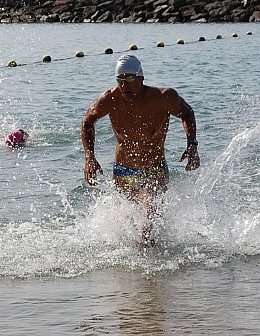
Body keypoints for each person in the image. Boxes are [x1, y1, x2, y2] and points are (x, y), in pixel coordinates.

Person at [81, 54, 200, 240]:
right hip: (123, 171)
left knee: (147, 226)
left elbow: (187, 113)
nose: (124, 85)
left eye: (129, 79)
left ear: (141, 77)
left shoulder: (163, 97)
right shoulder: (109, 99)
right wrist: (89, 156)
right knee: (127, 231)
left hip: (154, 170)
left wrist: (192, 144)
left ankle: (156, 257)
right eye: (120, 80)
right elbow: (87, 122)